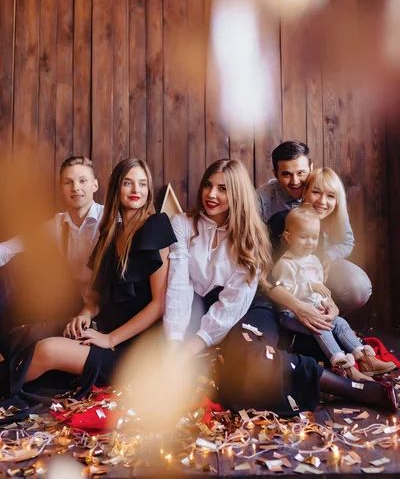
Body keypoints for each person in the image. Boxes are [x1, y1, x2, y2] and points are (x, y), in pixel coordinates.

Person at [0, 158, 176, 417]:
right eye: (128, 183)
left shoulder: (155, 225)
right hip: (102, 329)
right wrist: (85, 314)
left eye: (143, 184)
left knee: (48, 350)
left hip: (135, 351)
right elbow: (97, 295)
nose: (136, 190)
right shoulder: (111, 233)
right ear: (116, 187)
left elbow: (158, 305)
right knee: (28, 337)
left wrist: (109, 339)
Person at [163, 159, 272, 358]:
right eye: (208, 185)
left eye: (223, 188)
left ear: (238, 194)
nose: (211, 194)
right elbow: (179, 285)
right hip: (197, 305)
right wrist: (174, 340)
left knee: (249, 355)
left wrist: (189, 349)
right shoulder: (181, 224)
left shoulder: (250, 238)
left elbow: (234, 301)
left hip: (244, 307)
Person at [274, 206, 395, 381]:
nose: (309, 242)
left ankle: (365, 359)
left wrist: (325, 303)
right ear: (288, 237)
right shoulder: (286, 263)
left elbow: (320, 290)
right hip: (290, 314)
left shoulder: (314, 260)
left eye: (314, 238)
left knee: (340, 323)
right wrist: (310, 287)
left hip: (314, 308)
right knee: (321, 327)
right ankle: (342, 365)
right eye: (303, 237)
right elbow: (285, 292)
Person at [257, 141, 371, 316]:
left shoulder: (329, 198)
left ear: (310, 168)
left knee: (358, 286)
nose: (295, 181)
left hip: (319, 264)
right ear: (275, 173)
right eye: (287, 174)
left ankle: (325, 314)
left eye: (301, 173)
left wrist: (327, 257)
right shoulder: (266, 202)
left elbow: (347, 242)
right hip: (279, 265)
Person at [0, 156, 103, 307]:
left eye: (82, 181)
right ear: (61, 187)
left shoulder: (111, 219)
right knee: (15, 266)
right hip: (68, 303)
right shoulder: (56, 224)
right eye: (68, 182)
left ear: (94, 186)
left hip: (102, 305)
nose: (75, 188)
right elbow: (8, 249)